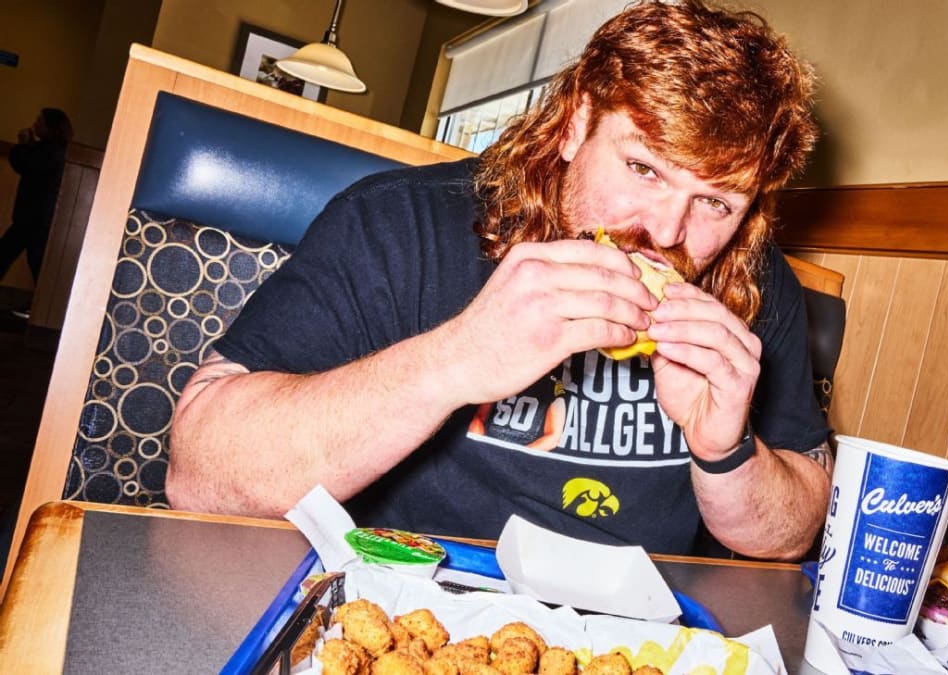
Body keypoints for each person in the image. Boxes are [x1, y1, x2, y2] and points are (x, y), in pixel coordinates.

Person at [167, 0, 833, 559]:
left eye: (715, 202)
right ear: (576, 125)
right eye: (643, 169)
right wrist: (454, 360)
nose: (666, 232)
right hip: (409, 607)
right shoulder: (398, 222)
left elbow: (792, 532)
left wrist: (727, 450)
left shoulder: (752, 281)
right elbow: (198, 474)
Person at [0, 108, 73, 295]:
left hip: (34, 219)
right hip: (37, 219)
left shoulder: (51, 152)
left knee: (31, 262)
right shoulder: (54, 151)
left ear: (51, 127)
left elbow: (26, 164)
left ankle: (46, 308)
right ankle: (45, 308)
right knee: (33, 263)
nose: (35, 124)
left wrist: (22, 145)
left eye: (40, 121)